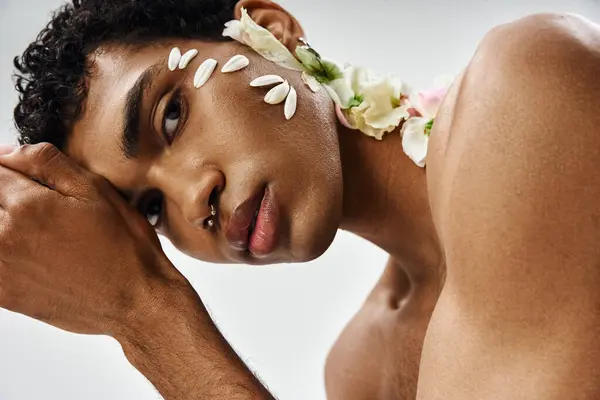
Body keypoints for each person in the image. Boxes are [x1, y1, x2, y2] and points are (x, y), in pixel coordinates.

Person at [2, 0, 599, 398]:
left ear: (270, 32)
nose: (193, 200)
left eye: (173, 114)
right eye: (150, 210)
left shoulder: (528, 83)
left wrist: (144, 313)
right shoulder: (363, 371)